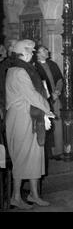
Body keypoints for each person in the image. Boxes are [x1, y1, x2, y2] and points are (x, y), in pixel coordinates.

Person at [5, 40, 54, 209]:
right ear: (24, 53)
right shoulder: (19, 71)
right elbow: (31, 94)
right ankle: (16, 197)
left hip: (29, 117)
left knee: (34, 157)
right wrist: (47, 109)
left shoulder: (19, 69)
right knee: (22, 158)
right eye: (31, 52)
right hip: (22, 118)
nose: (33, 54)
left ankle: (34, 194)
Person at [34, 45, 64, 161]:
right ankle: (47, 152)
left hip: (55, 98)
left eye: (46, 50)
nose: (47, 51)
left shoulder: (52, 64)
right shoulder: (34, 67)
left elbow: (60, 80)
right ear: (37, 54)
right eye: (43, 50)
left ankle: (58, 151)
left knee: (57, 123)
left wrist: (57, 91)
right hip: (43, 100)